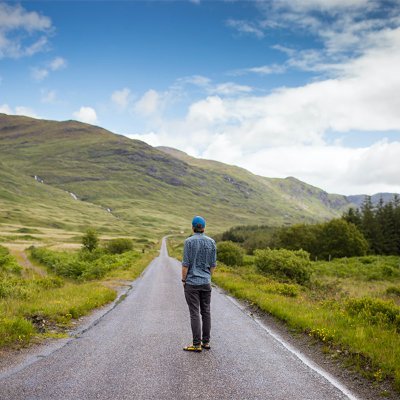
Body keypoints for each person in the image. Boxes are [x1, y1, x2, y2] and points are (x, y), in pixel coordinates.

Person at [182, 215, 217, 352]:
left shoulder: (188, 242)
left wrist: (184, 280)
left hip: (192, 283)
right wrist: (207, 277)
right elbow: (213, 265)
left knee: (194, 313)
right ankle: (206, 342)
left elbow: (185, 265)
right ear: (204, 228)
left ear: (192, 227)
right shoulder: (211, 242)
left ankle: (196, 344)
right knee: (206, 312)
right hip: (206, 282)